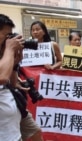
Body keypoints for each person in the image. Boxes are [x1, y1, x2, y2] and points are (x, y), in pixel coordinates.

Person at [0, 13, 24, 141]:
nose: (9, 39)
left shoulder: (3, 54)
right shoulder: (6, 52)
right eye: (6, 35)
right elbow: (2, 77)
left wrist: (14, 64)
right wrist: (9, 50)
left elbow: (12, 84)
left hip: (11, 131)